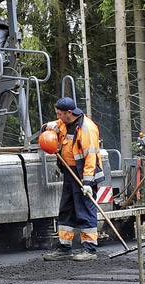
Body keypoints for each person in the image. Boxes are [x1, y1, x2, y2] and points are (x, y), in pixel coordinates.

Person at [41, 97, 105, 261]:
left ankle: (89, 250)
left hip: (84, 173)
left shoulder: (87, 129)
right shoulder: (63, 122)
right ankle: (64, 247)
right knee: (66, 209)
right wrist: (48, 126)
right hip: (69, 172)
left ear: (69, 113)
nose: (58, 116)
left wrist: (88, 182)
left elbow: (90, 157)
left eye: (59, 114)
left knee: (84, 209)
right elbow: (56, 127)